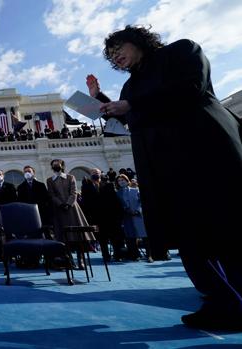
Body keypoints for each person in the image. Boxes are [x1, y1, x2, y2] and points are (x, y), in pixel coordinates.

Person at [100, 25, 242, 330]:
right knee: (189, 237)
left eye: (118, 49)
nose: (117, 57)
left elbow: (192, 88)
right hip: (164, 165)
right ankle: (222, 301)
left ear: (136, 40)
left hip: (205, 151)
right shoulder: (129, 87)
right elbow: (129, 119)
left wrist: (132, 106)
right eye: (112, 56)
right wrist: (103, 102)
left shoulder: (181, 51)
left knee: (226, 228)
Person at [46, 159, 90, 269]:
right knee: (63, 237)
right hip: (59, 210)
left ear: (62, 166)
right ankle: (69, 260)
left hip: (73, 209)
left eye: (58, 164)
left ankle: (81, 260)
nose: (56, 165)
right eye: (54, 164)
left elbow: (74, 192)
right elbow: (52, 195)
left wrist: (68, 204)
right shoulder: (50, 180)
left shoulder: (70, 177)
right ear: (52, 167)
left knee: (78, 235)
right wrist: (60, 204)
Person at [115, 174, 152, 262]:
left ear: (127, 181)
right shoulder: (117, 193)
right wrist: (125, 210)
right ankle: (135, 255)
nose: (121, 182)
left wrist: (137, 210)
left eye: (123, 180)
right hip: (127, 217)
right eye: (119, 181)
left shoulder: (135, 190)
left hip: (138, 216)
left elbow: (141, 202)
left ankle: (149, 255)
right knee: (131, 237)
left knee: (144, 235)